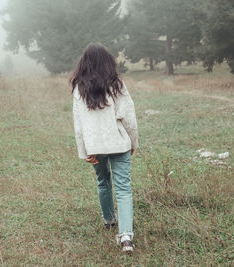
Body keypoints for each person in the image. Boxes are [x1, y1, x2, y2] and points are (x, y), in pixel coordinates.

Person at [70, 42, 138, 252]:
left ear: (85, 62)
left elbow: (78, 124)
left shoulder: (79, 88)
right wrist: (134, 142)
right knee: (124, 188)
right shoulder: (117, 84)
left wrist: (84, 150)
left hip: (95, 145)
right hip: (118, 142)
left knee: (103, 181)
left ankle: (109, 220)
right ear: (108, 61)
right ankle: (126, 237)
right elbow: (129, 117)